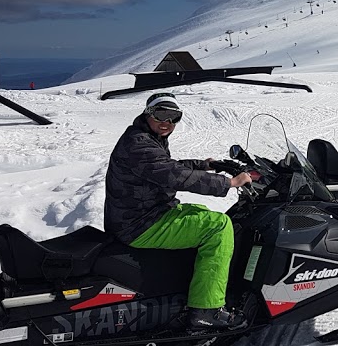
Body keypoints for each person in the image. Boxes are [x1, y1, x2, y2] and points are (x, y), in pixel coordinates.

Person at [104, 92, 252, 329]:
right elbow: (174, 176)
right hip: (140, 224)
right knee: (218, 227)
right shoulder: (138, 144)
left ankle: (193, 283)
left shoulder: (146, 137)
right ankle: (206, 310)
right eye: (161, 114)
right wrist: (229, 183)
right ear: (148, 113)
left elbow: (166, 166)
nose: (167, 122)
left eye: (174, 117)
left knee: (200, 212)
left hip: (143, 215)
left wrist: (206, 165)